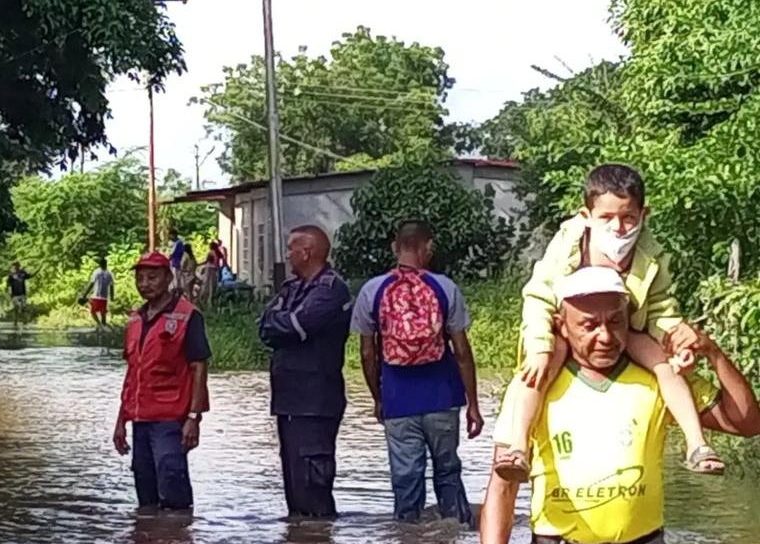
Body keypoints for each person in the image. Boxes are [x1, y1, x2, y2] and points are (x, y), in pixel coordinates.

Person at [480, 267, 760, 544]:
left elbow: (747, 422)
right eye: (588, 326)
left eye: (614, 321)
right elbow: (501, 491)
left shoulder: (659, 378)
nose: (605, 336)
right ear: (562, 326)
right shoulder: (534, 386)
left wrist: (712, 352)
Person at [495, 163, 721, 479]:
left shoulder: (652, 254)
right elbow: (538, 298)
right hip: (570, 331)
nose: (618, 227)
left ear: (644, 215)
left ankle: (697, 445)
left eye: (628, 217)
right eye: (606, 218)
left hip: (626, 329)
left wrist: (674, 340)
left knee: (666, 368)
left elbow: (659, 308)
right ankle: (518, 446)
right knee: (540, 367)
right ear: (587, 216)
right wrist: (539, 346)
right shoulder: (567, 245)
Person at [350, 221, 483, 523]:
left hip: (398, 399)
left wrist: (378, 397)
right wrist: (472, 404)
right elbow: (462, 351)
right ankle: (456, 539)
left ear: (395, 247)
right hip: (443, 397)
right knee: (447, 470)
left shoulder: (373, 291)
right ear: (429, 247)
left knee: (406, 476)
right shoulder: (445, 287)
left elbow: (368, 354)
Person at [259, 225, 351, 518]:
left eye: (290, 249)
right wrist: (283, 324)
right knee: (295, 490)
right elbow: (265, 326)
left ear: (307, 252)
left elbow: (299, 325)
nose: (287, 256)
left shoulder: (331, 289)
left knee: (314, 488)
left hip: (315, 402)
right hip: (288, 401)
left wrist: (283, 324)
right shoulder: (292, 288)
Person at [113, 252, 211, 511]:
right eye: (140, 278)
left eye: (152, 277)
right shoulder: (135, 320)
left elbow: (199, 366)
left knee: (172, 481)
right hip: (140, 418)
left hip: (170, 418)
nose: (145, 283)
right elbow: (132, 373)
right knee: (146, 494)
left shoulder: (188, 316)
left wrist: (193, 417)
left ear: (168, 277)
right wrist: (121, 421)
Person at [81, 256, 115, 328]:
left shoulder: (96, 272)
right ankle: (103, 326)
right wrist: (112, 296)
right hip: (104, 297)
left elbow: (91, 284)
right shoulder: (109, 274)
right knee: (103, 313)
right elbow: (112, 286)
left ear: (100, 264)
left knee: (93, 312)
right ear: (106, 264)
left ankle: (100, 325)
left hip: (96, 296)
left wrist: (85, 294)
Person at [7, 261, 31, 326]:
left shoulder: (23, 273)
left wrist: (38, 269)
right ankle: (15, 322)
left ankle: (24, 321)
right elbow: (8, 285)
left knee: (23, 308)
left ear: (18, 266)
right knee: (16, 308)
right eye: (14, 266)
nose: (15, 268)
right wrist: (10, 294)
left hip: (22, 293)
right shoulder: (11, 275)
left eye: (16, 266)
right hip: (14, 294)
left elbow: (30, 276)